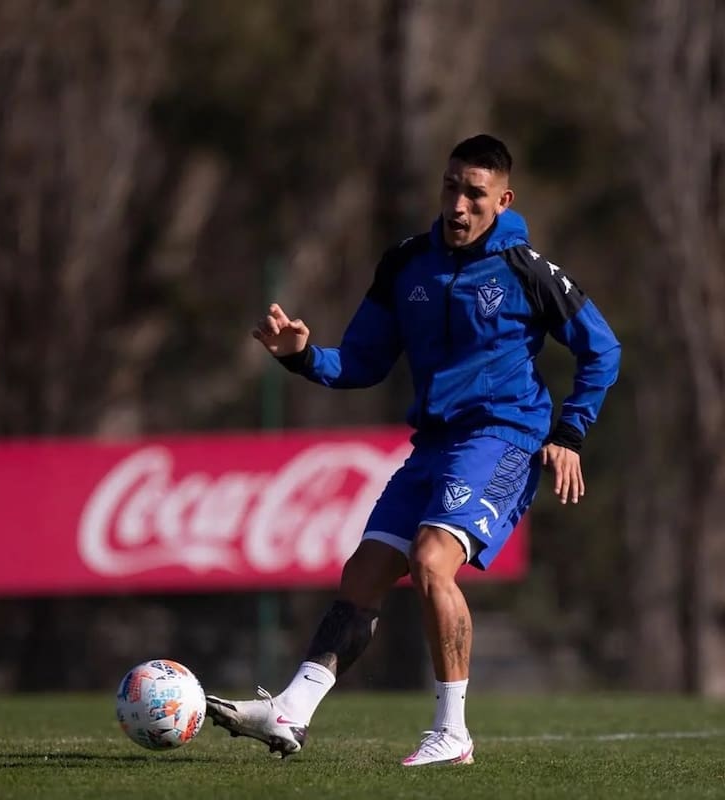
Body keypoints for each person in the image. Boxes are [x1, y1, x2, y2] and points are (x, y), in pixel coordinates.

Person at [206, 134, 621, 766]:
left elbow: (603, 348)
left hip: (504, 438)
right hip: (433, 445)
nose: (458, 204)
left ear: (502, 200)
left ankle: (452, 732)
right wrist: (301, 358)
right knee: (364, 573)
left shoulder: (527, 271)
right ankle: (291, 710)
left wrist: (569, 433)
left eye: (475, 194)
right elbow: (363, 361)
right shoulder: (405, 263)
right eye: (451, 187)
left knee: (432, 561)